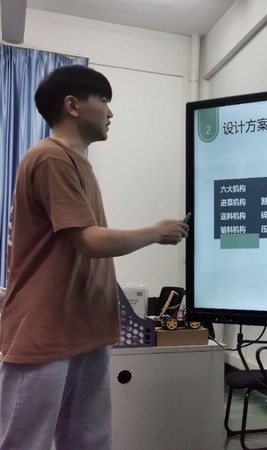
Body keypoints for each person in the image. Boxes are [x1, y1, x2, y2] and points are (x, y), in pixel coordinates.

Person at [0, 65, 188, 449]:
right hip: (47, 329)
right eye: (103, 100)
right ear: (72, 105)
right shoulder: (50, 158)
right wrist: (156, 232)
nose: (110, 111)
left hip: (84, 328)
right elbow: (90, 241)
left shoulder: (75, 161)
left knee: (88, 440)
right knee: (25, 442)